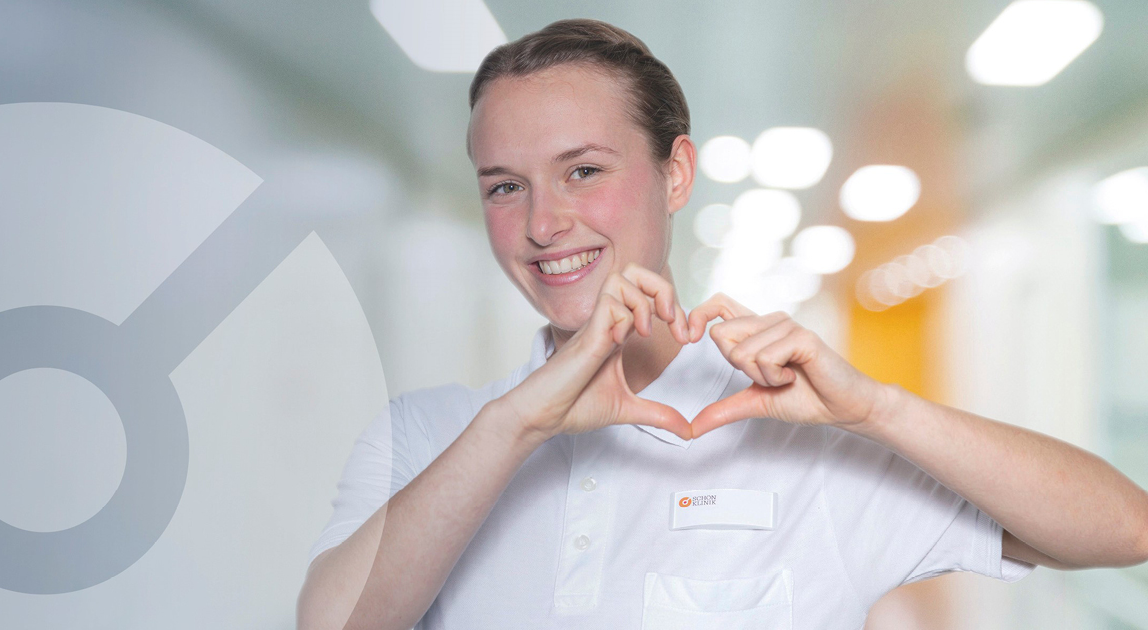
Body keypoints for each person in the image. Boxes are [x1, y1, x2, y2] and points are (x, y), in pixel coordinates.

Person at [296, 18, 1148, 630]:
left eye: (584, 170)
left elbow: (1124, 528)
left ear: (676, 176)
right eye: (504, 186)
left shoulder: (805, 438)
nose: (543, 224)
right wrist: (516, 423)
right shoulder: (425, 437)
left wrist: (878, 409)